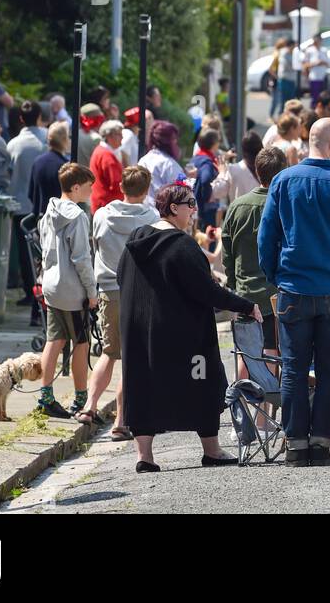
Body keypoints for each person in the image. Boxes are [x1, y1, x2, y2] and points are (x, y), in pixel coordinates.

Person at [120, 182, 260, 472]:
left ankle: (144, 456)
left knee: (143, 386)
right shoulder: (182, 245)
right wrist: (246, 305)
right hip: (183, 333)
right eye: (190, 204)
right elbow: (207, 290)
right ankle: (212, 449)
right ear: (173, 208)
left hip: (139, 331)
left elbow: (122, 277)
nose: (195, 210)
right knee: (203, 384)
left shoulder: (136, 240)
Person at [258, 118, 330, 466]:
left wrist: (275, 273)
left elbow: (267, 237)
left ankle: (295, 443)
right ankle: (320, 442)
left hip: (295, 285)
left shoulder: (283, 180)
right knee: (329, 368)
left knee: (292, 368)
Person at [83, 166, 159, 437]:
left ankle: (90, 405)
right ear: (147, 189)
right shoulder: (152, 217)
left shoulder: (102, 215)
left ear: (121, 187)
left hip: (108, 289)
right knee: (131, 357)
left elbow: (96, 246)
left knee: (108, 352)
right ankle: (120, 421)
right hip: (138, 291)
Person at [36, 162, 99, 422]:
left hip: (51, 284)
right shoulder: (78, 216)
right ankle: (81, 398)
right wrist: (92, 290)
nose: (90, 193)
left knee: (54, 340)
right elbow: (82, 258)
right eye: (87, 188)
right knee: (82, 343)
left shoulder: (48, 212)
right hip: (73, 290)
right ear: (75, 187)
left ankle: (46, 396)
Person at [222, 147, 288, 376]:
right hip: (274, 291)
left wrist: (234, 283)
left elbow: (227, 253)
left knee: (245, 351)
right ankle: (263, 411)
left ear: (257, 171)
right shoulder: (284, 205)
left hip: (245, 290)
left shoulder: (237, 206)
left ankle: (242, 405)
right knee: (271, 349)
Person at [7, 101, 47, 308]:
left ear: (21, 119)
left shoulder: (13, 144)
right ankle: (42, 291)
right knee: (43, 251)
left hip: (20, 203)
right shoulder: (47, 139)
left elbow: (8, 172)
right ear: (40, 117)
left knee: (24, 251)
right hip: (43, 204)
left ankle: (28, 290)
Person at [138, 121, 186, 209]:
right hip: (162, 216)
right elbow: (182, 194)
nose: (176, 142)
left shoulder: (143, 160)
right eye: (174, 139)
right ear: (168, 141)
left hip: (143, 213)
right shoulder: (170, 164)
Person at [213, 130, 263, 207]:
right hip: (262, 215)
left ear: (243, 149)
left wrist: (222, 173)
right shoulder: (267, 168)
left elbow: (217, 192)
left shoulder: (233, 169)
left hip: (239, 215)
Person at [88, 120, 126, 213]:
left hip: (102, 205)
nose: (122, 137)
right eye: (119, 134)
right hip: (107, 207)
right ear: (109, 136)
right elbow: (116, 184)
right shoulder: (106, 156)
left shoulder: (100, 150)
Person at [191, 128, 225, 229]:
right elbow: (205, 180)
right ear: (213, 144)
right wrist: (208, 196)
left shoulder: (196, 158)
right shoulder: (207, 163)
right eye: (218, 141)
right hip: (207, 211)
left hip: (196, 206)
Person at [269, 38, 300, 119]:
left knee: (291, 100)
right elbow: (288, 65)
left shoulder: (293, 54)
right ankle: (280, 117)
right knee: (282, 101)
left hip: (291, 80)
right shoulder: (283, 54)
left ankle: (290, 117)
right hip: (284, 80)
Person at [302, 33, 329, 105]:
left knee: (323, 96)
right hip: (314, 77)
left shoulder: (324, 50)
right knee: (315, 97)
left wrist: (322, 62)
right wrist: (315, 63)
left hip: (323, 76)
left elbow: (327, 64)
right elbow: (305, 65)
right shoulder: (309, 50)